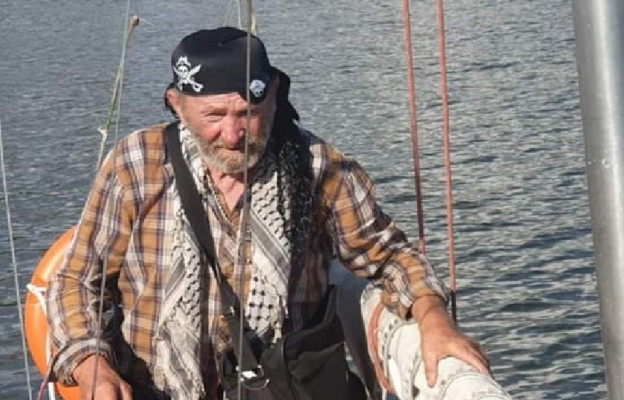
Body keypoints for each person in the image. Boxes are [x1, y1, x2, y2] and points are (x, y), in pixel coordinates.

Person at [46, 26, 488, 400]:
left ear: (274, 93)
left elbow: (390, 257)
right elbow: (76, 280)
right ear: (176, 104)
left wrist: (434, 319)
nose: (233, 134)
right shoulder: (136, 165)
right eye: (213, 115)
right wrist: (91, 367)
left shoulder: (317, 168)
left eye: (249, 113)